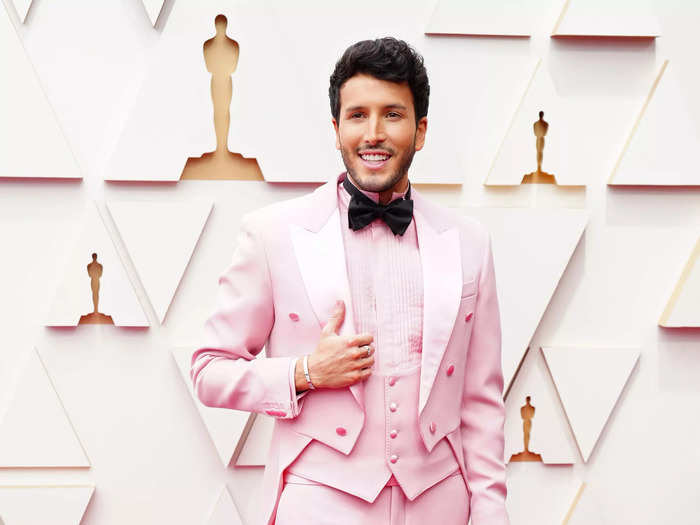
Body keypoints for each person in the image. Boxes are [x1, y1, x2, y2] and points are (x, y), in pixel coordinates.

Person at [191, 37, 508, 525]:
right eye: (358, 115)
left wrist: (491, 514)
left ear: (420, 130)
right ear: (337, 130)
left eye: (393, 115)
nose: (374, 133)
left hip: (441, 502)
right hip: (319, 501)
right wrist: (306, 373)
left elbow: (481, 403)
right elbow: (209, 371)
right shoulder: (273, 235)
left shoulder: (469, 243)